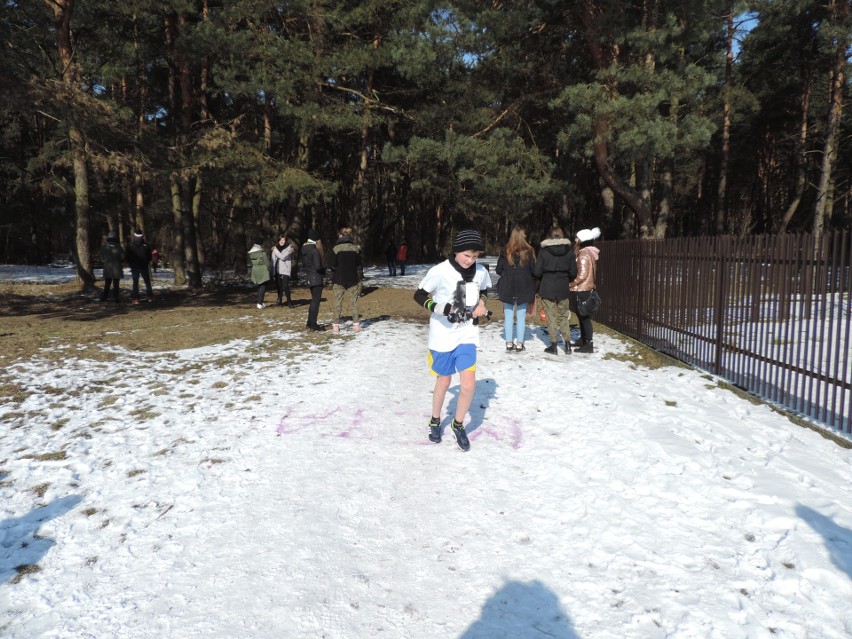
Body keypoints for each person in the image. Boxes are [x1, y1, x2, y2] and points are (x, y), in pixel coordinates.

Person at [413, 229, 492, 452]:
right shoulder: (440, 271)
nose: (470, 261)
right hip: (442, 336)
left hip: (467, 334)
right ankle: (435, 420)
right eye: (467, 255)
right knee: (444, 382)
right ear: (456, 251)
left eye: (475, 256)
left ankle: (458, 425)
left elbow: (485, 290)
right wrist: (440, 308)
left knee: (468, 385)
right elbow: (419, 295)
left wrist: (481, 304)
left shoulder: (481, 271)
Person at [532, 226, 577, 355]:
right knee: (563, 316)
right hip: (562, 287)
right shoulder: (569, 251)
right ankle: (567, 344)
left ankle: (554, 345)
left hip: (547, 287)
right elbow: (573, 272)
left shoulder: (544, 251)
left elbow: (537, 271)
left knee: (550, 316)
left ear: (549, 236)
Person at [495, 226, 537, 352]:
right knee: (521, 316)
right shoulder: (529, 252)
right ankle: (519, 343)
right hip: (524, 287)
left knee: (508, 316)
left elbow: (498, 270)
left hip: (508, 286)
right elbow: (535, 271)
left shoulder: (505, 251)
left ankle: (508, 342)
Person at [569, 227, 601, 353]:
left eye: (577, 238)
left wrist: (571, 284)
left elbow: (582, 275)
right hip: (586, 288)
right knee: (582, 316)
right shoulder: (589, 253)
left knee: (584, 317)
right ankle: (584, 340)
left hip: (582, 289)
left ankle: (588, 343)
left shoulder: (583, 254)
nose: (575, 240)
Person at [329, 226, 364, 333]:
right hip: (353, 278)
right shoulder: (356, 248)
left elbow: (331, 265)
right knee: (354, 302)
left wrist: (337, 269)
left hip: (339, 279)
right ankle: (356, 325)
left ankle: (336, 326)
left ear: (341, 235)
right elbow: (359, 264)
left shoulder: (336, 249)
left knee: (337, 302)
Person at [300, 229, 326, 331]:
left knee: (313, 301)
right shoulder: (314, 250)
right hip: (316, 278)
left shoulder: (304, 249)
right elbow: (318, 267)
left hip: (309, 277)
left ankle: (309, 322)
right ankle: (313, 324)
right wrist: (325, 268)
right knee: (316, 301)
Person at [126, 229, 154, 304]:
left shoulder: (130, 245)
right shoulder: (146, 245)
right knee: (147, 282)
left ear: (134, 235)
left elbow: (127, 256)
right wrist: (147, 262)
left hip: (134, 266)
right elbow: (149, 256)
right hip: (144, 266)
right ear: (142, 236)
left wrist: (130, 263)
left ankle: (136, 299)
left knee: (135, 283)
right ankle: (150, 297)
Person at [272, 232, 296, 308]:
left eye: (284, 240)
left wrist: (275, 251)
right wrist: (273, 270)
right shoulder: (275, 248)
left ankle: (289, 302)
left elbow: (282, 257)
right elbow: (273, 260)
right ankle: (279, 301)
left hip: (285, 270)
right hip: (277, 270)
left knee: (285, 286)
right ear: (278, 240)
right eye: (281, 240)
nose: (282, 241)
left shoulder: (289, 248)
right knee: (279, 287)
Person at [100, 231, 124, 303]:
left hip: (108, 268)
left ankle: (105, 297)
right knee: (116, 284)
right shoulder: (119, 247)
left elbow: (101, 258)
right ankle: (116, 298)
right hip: (117, 268)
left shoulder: (104, 247)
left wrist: (105, 261)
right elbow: (123, 257)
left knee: (107, 284)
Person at [248, 238, 272, 309]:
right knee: (263, 286)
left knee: (259, 286)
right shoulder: (262, 253)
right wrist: (269, 270)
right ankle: (260, 303)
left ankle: (260, 302)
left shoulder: (251, 253)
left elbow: (251, 263)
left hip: (255, 270)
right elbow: (267, 263)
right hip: (262, 270)